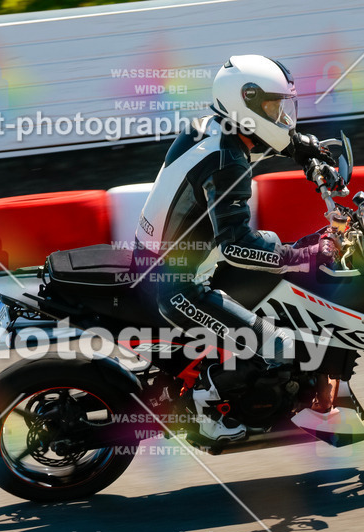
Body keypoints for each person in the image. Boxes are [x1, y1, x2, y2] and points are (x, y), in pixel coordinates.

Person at [132, 54, 341, 441]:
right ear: (245, 103)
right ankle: (212, 416)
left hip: (160, 259)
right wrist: (304, 256)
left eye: (282, 107)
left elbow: (265, 140)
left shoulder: (211, 129)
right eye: (273, 107)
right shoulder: (227, 161)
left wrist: (302, 149)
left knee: (272, 263)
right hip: (176, 286)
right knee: (276, 341)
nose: (281, 116)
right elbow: (236, 246)